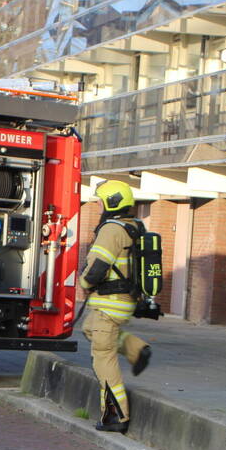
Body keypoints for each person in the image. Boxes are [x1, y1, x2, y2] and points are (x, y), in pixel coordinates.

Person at [79, 179, 152, 434]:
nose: (98, 206)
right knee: (90, 328)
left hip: (109, 303)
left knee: (103, 359)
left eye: (100, 201)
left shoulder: (111, 229)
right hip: (122, 302)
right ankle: (136, 348)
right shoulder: (134, 226)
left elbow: (99, 266)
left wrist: (84, 282)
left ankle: (115, 416)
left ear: (111, 202)